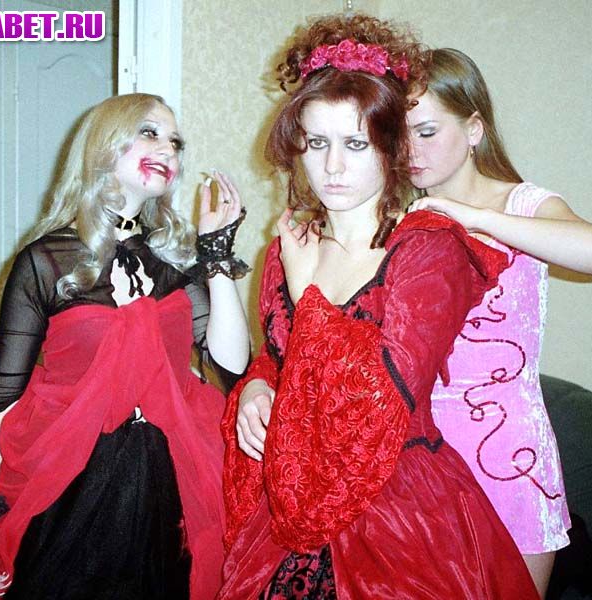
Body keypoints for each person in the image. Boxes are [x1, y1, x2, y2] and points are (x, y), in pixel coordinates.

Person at [218, 15, 539, 599]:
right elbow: (281, 360)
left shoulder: (430, 249)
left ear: (391, 147)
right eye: (317, 143)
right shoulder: (290, 246)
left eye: (355, 143)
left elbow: (382, 401)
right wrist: (258, 388)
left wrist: (307, 295)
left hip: (400, 510)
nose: (332, 167)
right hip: (290, 494)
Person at [0, 93, 249, 599]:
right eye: (149, 132)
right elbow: (1, 397)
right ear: (105, 144)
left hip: (165, 479)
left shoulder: (174, 261)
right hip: (67, 481)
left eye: (176, 141)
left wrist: (215, 253)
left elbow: (230, 364)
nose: (168, 149)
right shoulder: (45, 260)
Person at [406, 48, 592, 597]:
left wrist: (475, 218)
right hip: (417, 459)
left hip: (510, 456)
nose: (411, 150)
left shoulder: (521, 204)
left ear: (473, 128)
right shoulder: (400, 219)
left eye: (427, 131)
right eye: (399, 134)